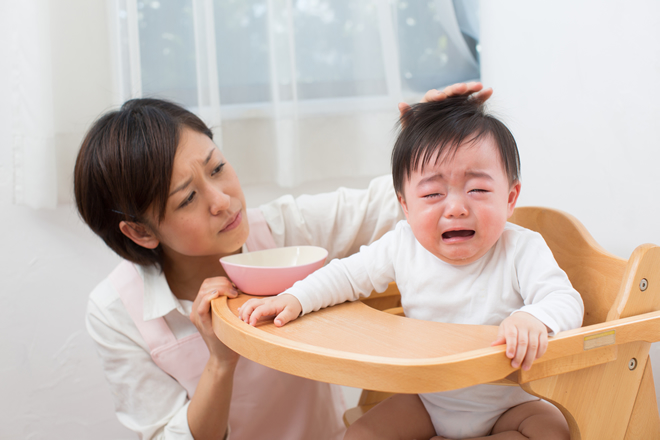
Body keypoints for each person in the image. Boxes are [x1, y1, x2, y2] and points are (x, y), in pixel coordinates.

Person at [75, 82, 490, 440]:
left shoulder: (282, 231)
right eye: (187, 198)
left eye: (217, 168)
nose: (222, 201)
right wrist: (221, 361)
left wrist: (430, 148)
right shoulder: (116, 311)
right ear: (142, 232)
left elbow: (394, 205)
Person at [239, 95, 585, 440]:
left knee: (552, 429)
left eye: (478, 189)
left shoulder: (521, 248)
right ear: (405, 205)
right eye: (433, 194)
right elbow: (345, 275)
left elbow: (565, 299)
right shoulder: (402, 245)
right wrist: (296, 298)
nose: (456, 207)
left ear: (510, 198)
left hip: (510, 404)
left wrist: (534, 318)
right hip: (428, 399)